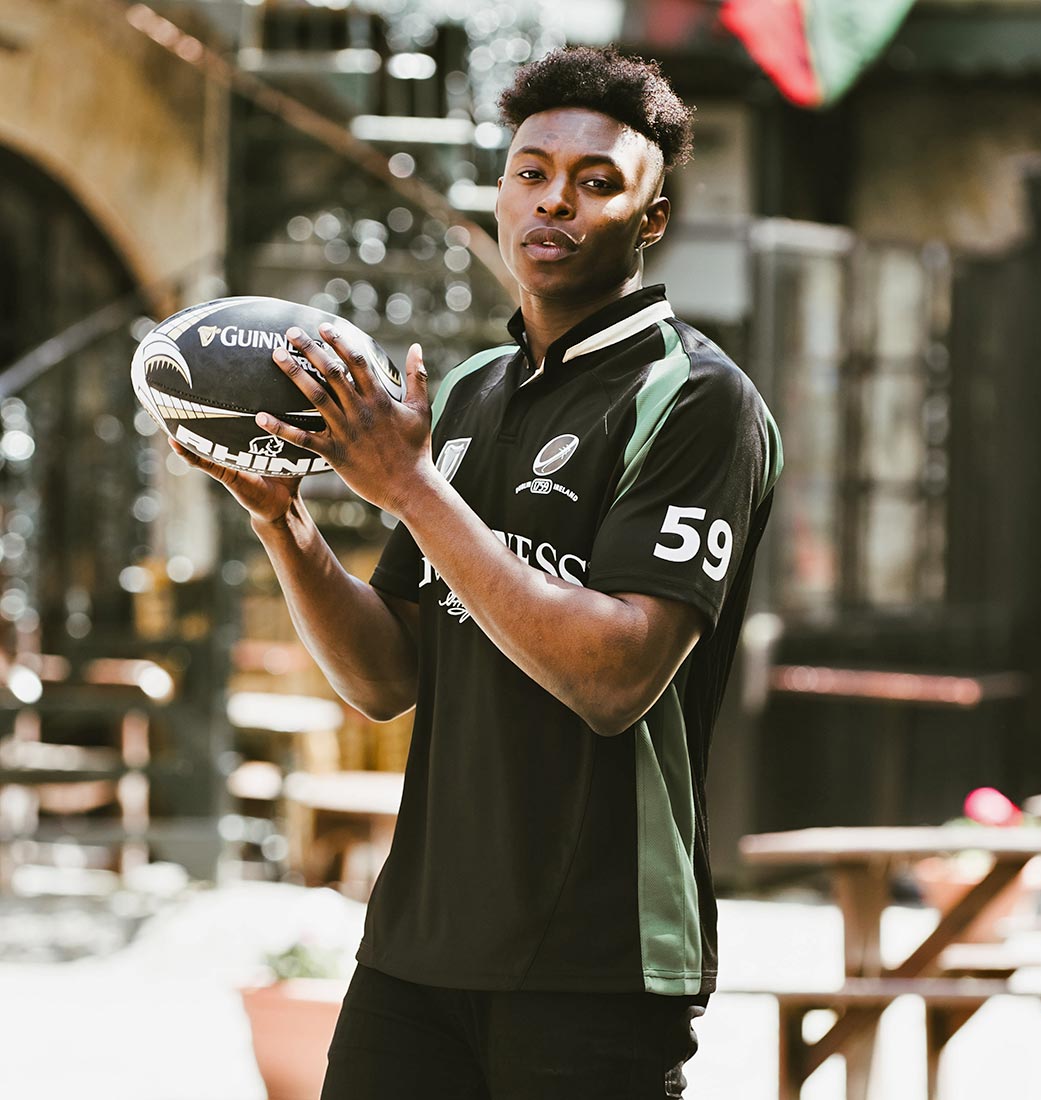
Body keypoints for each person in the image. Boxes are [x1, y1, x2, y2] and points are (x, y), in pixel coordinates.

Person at [176, 44, 781, 1100]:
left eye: (597, 183)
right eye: (532, 171)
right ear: (500, 193)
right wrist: (286, 526)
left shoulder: (697, 401)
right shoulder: (463, 394)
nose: (556, 200)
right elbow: (384, 677)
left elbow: (612, 677)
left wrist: (409, 487)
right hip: (416, 944)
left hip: (596, 959)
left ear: (650, 220)